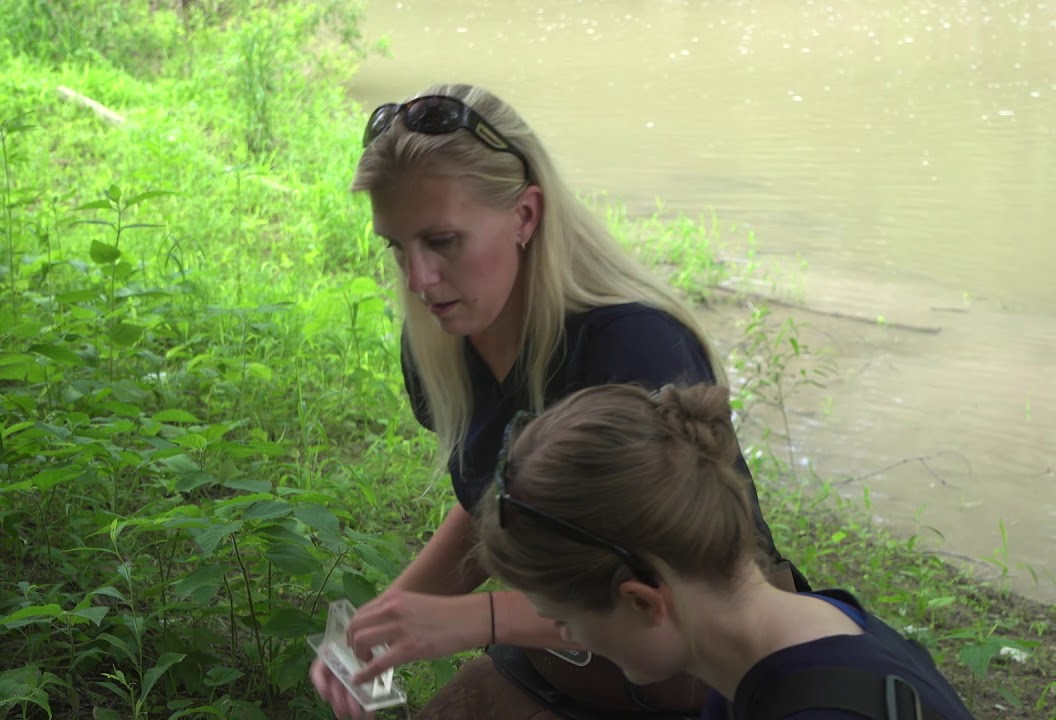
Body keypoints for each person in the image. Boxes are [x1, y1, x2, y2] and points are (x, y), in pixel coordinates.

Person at [309, 83, 805, 719]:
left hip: (707, 668)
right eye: (397, 247)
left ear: (525, 215)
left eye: (443, 241)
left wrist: (475, 618)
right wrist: (379, 629)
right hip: (569, 656)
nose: (419, 281)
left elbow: (666, 594)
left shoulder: (633, 346)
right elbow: (496, 511)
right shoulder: (444, 340)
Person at [476, 383, 977, 720]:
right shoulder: (798, 635)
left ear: (643, 601)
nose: (561, 635)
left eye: (561, 618)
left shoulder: (819, 704)